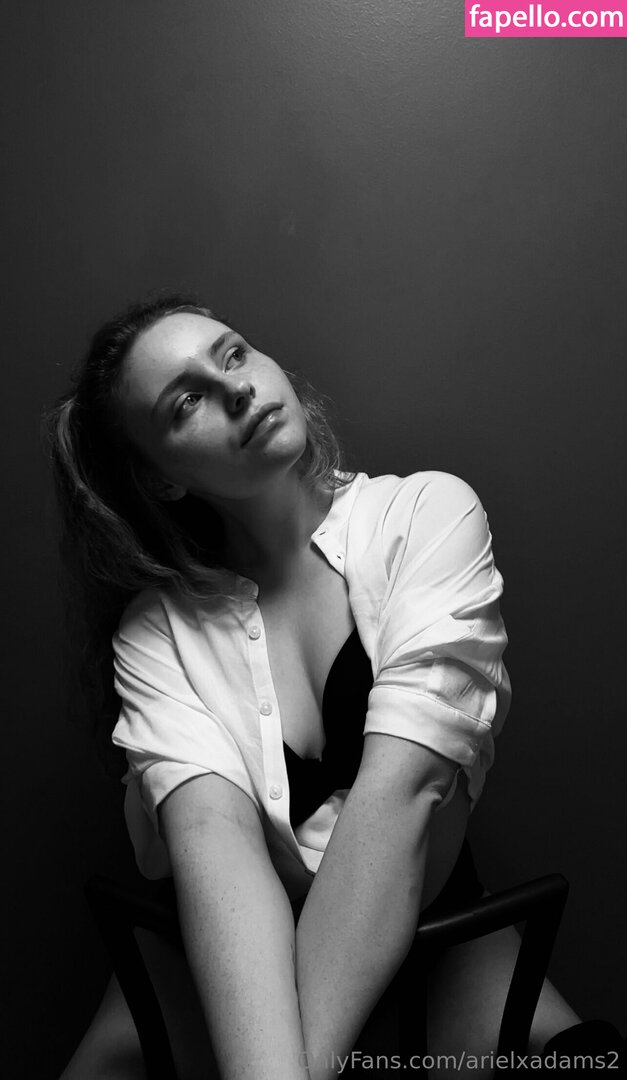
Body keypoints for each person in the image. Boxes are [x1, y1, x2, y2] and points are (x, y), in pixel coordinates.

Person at [47, 295, 616, 1080]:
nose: (235, 389)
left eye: (233, 353)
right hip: (235, 984)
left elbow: (406, 792)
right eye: (187, 401)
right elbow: (215, 848)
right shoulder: (158, 632)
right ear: (161, 479)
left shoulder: (423, 516)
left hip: (439, 950)